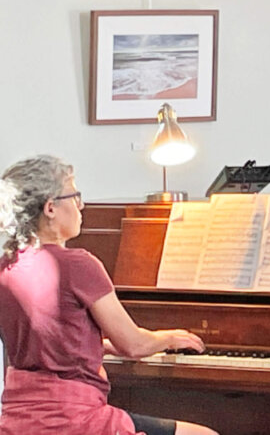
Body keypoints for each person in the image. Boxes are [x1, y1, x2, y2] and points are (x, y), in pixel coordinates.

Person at [0, 155, 219, 435]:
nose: (82, 205)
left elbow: (44, 340)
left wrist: (98, 345)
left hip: (19, 420)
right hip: (74, 421)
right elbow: (135, 345)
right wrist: (169, 338)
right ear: (51, 208)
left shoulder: (6, 266)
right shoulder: (78, 264)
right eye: (75, 195)